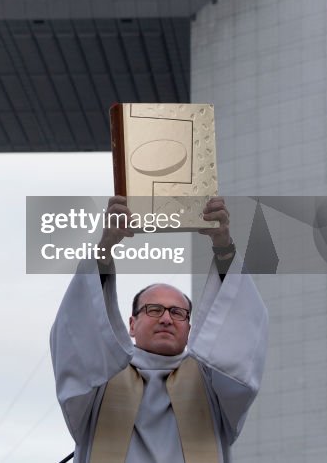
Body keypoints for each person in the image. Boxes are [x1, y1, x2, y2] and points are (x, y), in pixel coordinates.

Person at [50, 196, 267, 463]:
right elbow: (77, 336)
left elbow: (240, 344)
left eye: (177, 313)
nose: (166, 319)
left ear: (191, 328)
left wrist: (224, 247)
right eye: (154, 310)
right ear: (131, 324)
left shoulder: (215, 384)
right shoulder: (98, 380)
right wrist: (104, 247)